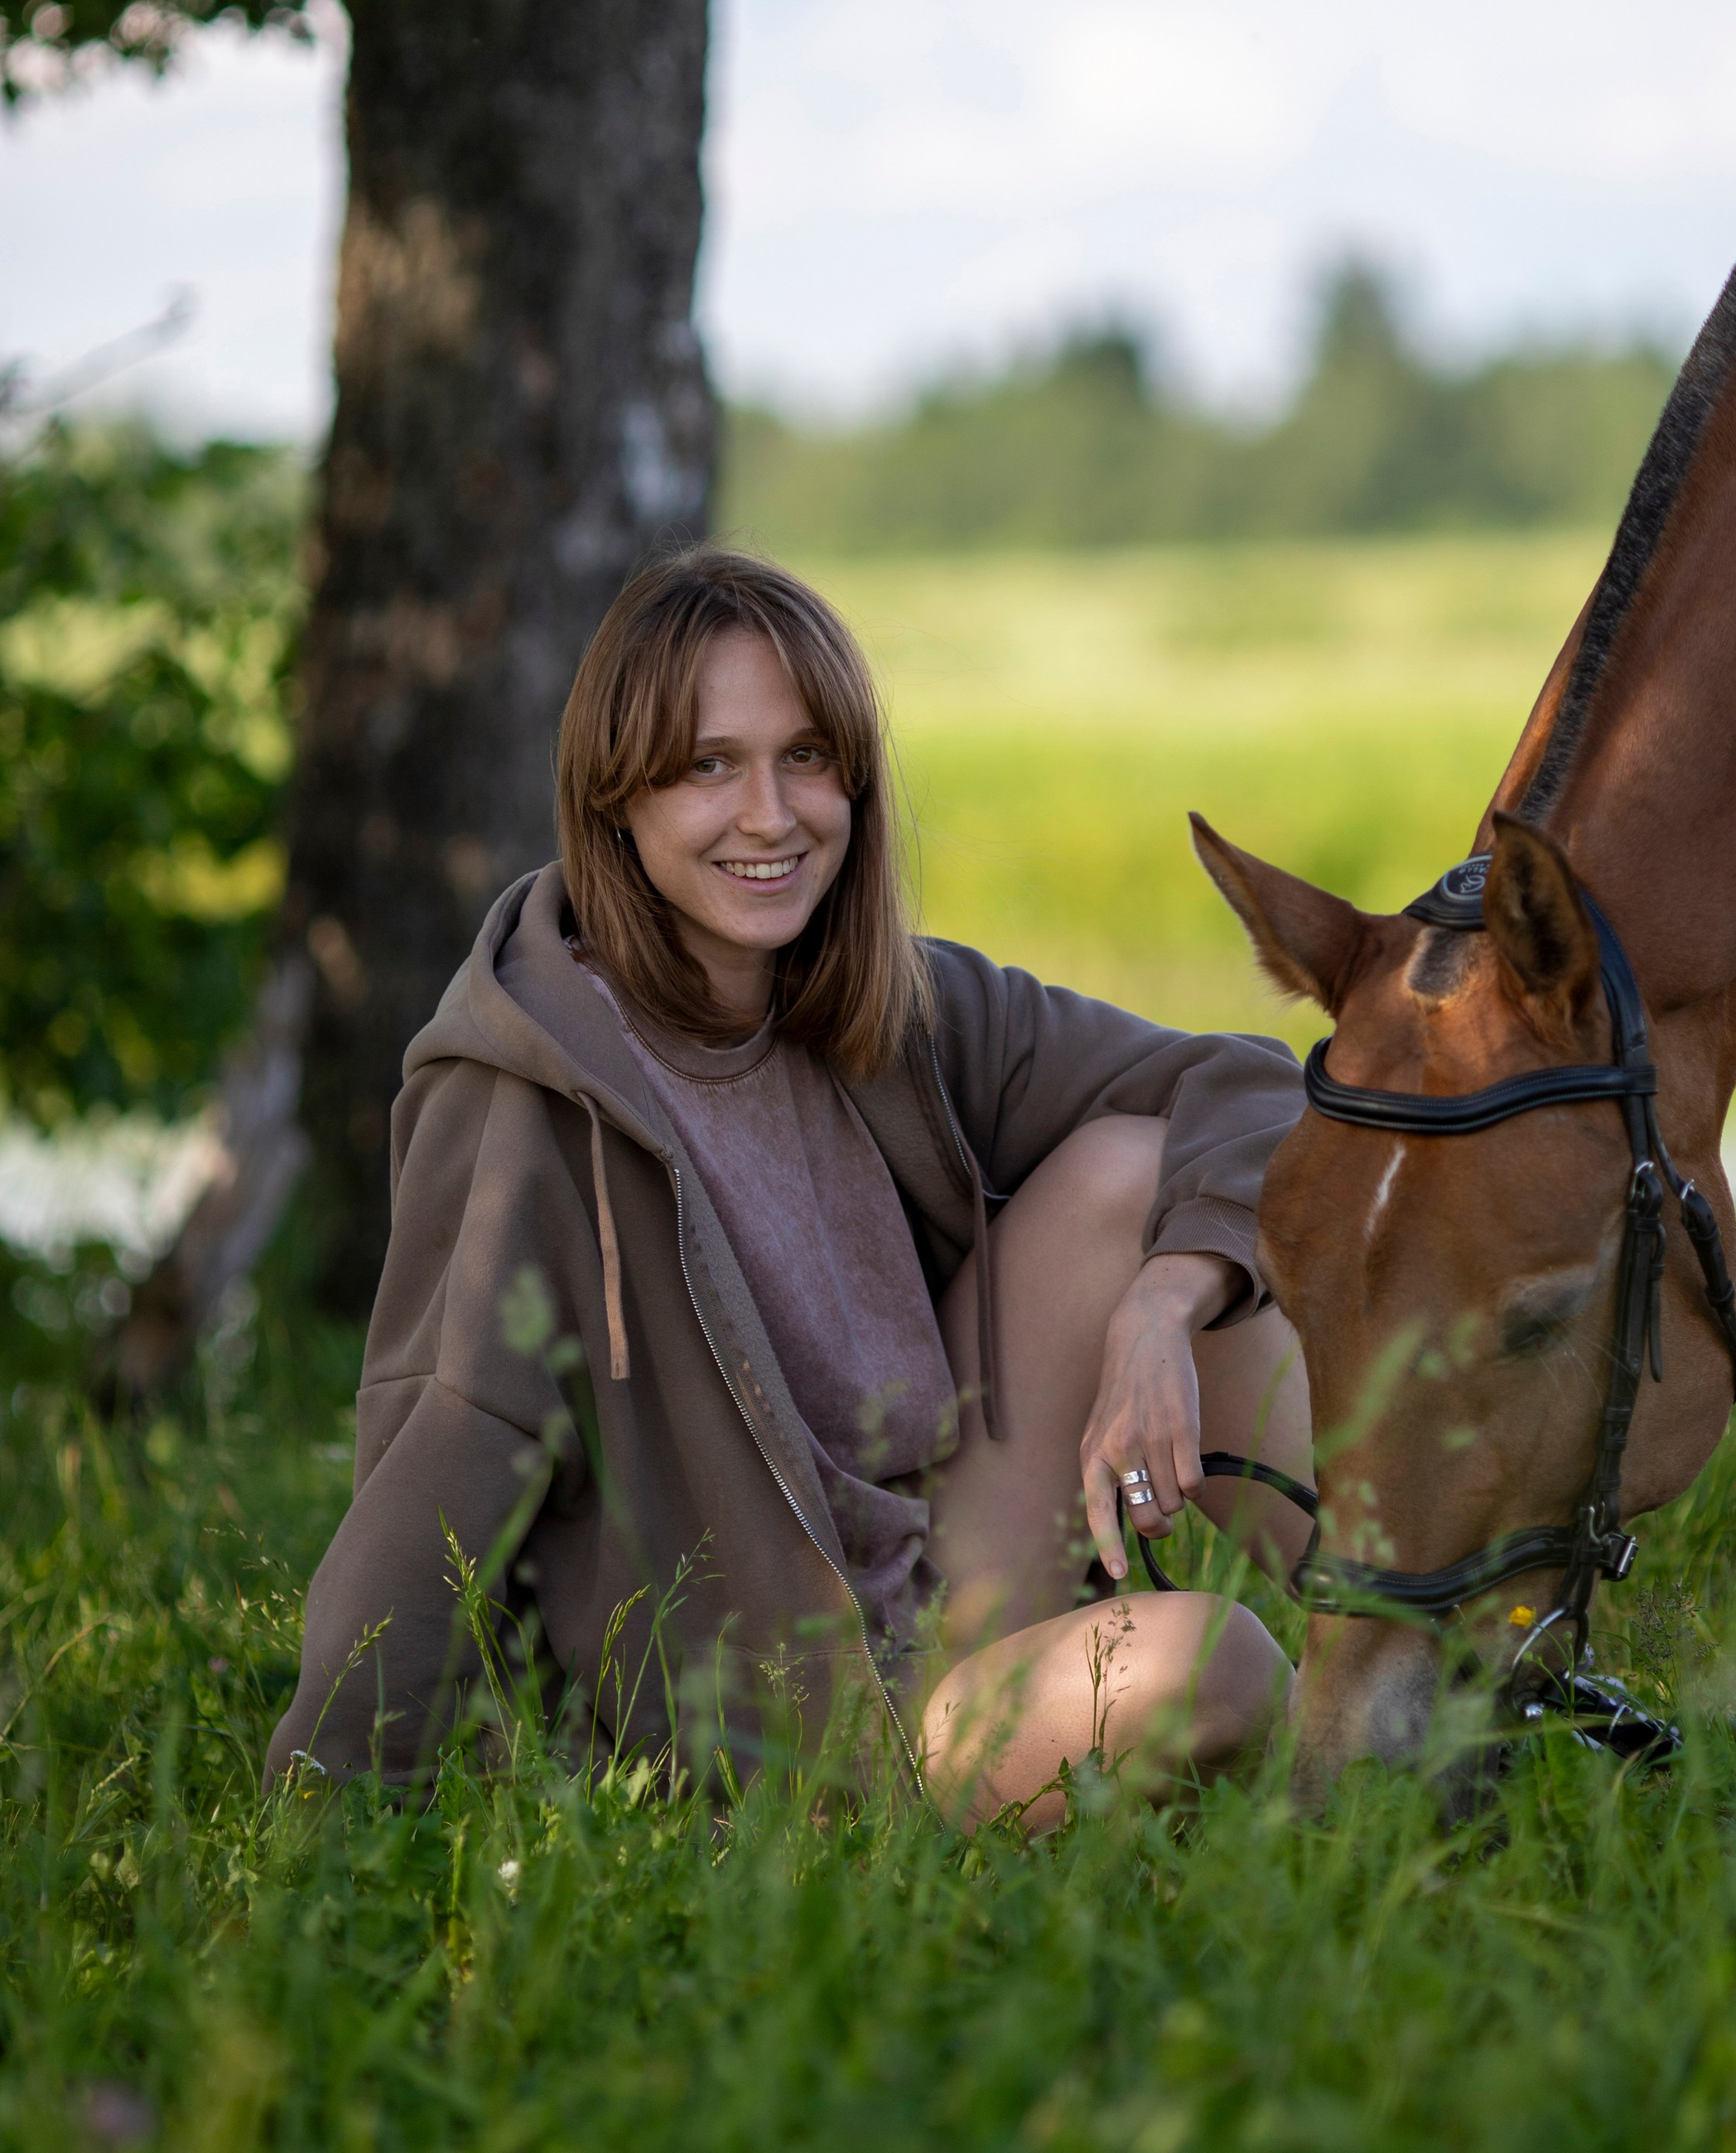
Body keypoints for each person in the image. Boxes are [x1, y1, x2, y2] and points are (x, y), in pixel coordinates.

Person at [265, 548, 1314, 1826]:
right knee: (1218, 1664)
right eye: (710, 766)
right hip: (795, 1732)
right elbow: (445, 1442)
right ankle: (1373, 1750)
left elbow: (1257, 1087)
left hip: (955, 1584)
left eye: (806, 758)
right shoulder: (525, 1093)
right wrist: (326, 1818)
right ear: (617, 798)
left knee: (1155, 1181)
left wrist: (1162, 1305)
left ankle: (1460, 1654)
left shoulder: (892, 1008)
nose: (770, 816)